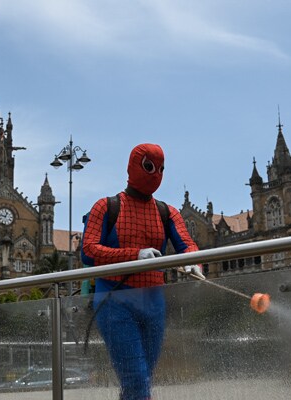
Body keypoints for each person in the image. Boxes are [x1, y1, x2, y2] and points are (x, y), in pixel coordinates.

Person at [81, 143, 203, 400]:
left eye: (160, 169)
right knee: (137, 380)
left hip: (154, 303)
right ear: (133, 166)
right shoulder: (105, 207)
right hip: (115, 301)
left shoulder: (167, 212)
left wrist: (194, 260)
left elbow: (187, 243)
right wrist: (135, 256)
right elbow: (88, 251)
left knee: (141, 379)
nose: (155, 174)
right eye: (149, 167)